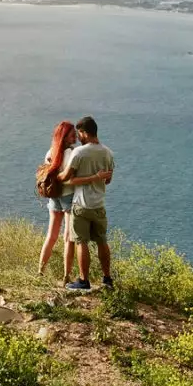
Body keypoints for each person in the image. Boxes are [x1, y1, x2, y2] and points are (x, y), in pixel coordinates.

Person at [58, 115, 115, 291]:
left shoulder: (79, 152)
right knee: (102, 241)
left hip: (81, 205)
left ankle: (84, 281)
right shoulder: (108, 152)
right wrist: (95, 178)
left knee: (81, 242)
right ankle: (107, 279)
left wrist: (54, 174)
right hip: (99, 205)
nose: (78, 137)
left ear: (84, 132)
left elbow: (66, 178)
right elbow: (108, 181)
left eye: (79, 133)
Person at [38, 120, 78, 280]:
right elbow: (70, 178)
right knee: (68, 237)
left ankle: (40, 271)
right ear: (65, 137)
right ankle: (66, 275)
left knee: (51, 235)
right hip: (68, 197)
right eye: (72, 133)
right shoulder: (71, 154)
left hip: (54, 197)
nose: (75, 135)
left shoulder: (50, 152)